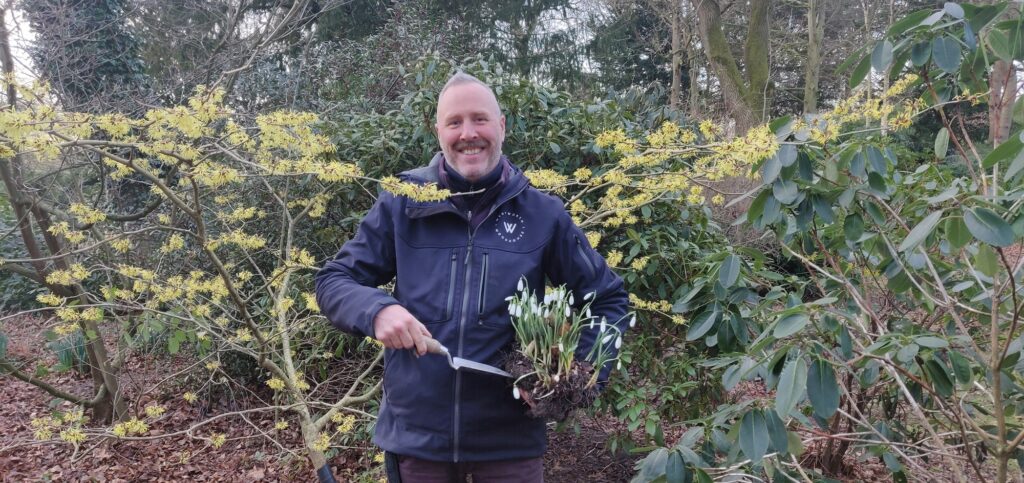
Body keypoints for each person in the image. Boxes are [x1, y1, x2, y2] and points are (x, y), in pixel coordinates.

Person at [315, 72, 629, 483]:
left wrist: (577, 374)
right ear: (438, 132)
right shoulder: (402, 204)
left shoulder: (542, 214)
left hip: (509, 447)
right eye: (454, 122)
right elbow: (334, 280)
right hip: (417, 444)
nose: (468, 134)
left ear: (502, 126)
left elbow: (608, 301)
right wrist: (377, 311)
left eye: (480, 119)